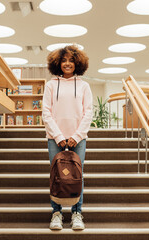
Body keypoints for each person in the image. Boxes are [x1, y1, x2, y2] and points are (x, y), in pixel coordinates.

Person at [42, 45, 93, 230]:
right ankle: (56, 214)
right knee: (56, 175)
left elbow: (88, 113)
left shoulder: (84, 86)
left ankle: (76, 213)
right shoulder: (50, 85)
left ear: (77, 62)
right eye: (63, 60)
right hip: (54, 139)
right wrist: (59, 136)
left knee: (77, 176)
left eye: (71, 60)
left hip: (78, 139)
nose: (67, 63)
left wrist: (76, 136)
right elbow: (46, 113)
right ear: (57, 63)